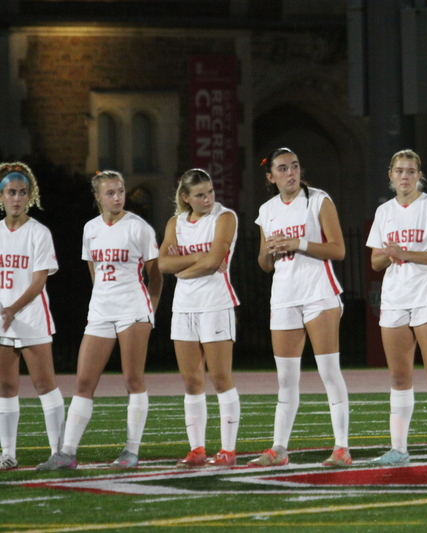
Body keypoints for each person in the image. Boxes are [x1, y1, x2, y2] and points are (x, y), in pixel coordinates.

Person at [36, 171, 162, 470]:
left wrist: (150, 311)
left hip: (133, 309)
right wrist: (102, 301)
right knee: (83, 381)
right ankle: (67, 453)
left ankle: (131, 451)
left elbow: (155, 275)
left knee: (132, 380)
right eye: (110, 193)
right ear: (97, 197)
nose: (117, 197)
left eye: (120, 191)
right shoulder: (90, 228)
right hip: (101, 311)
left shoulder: (138, 227)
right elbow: (94, 271)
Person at [249, 148, 351, 468]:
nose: (290, 173)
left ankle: (342, 449)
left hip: (319, 294)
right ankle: (278, 449)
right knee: (286, 379)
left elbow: (338, 249)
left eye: (294, 166)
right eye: (282, 168)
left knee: (328, 372)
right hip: (284, 297)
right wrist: (270, 250)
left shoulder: (318, 200)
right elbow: (264, 264)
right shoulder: (267, 210)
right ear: (271, 177)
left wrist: (297, 243)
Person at [367, 149, 427, 466]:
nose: (404, 176)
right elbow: (376, 261)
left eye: (410, 171)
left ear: (419, 175)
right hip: (394, 299)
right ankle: (399, 449)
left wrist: (407, 253)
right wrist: (391, 253)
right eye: (399, 171)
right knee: (398, 376)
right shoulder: (384, 213)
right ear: (390, 176)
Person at [158, 169, 240, 468]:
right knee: (192, 381)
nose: (208, 199)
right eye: (200, 195)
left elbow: (214, 260)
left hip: (215, 304)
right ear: (185, 197)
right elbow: (163, 263)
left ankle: (228, 451)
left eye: (210, 192)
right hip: (184, 307)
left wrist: (183, 267)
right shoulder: (175, 223)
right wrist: (195, 261)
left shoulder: (225, 217)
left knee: (220, 378)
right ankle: (197, 450)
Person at [0, 162, 64, 470]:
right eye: (11, 192)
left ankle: (58, 453)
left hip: (31, 317)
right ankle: (8, 454)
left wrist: (13, 308)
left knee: (43, 383)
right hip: (2, 320)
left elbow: (39, 280)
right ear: (1, 196)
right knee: (6, 386)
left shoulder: (39, 233)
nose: (17, 199)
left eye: (22, 193)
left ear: (29, 196)